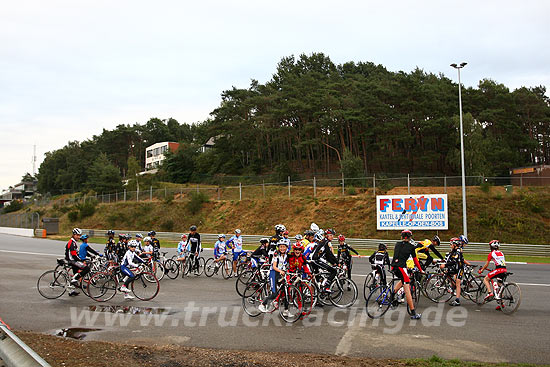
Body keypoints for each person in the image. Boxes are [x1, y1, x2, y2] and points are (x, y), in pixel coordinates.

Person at [390, 229, 424, 319]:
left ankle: (392, 296)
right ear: (410, 237)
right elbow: (415, 261)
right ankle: (413, 313)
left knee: (403, 280)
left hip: (393, 266)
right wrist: (421, 270)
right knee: (407, 288)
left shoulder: (397, 244)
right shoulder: (411, 247)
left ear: (401, 237)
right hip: (401, 267)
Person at [259, 240, 290, 315]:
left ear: (286, 247)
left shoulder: (286, 255)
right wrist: (281, 271)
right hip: (273, 273)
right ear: (278, 247)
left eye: (284, 247)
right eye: (280, 247)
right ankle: (262, 304)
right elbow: (274, 266)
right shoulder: (276, 254)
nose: (282, 248)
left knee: (285, 291)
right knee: (274, 293)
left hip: (280, 273)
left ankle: (286, 310)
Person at [441, 237, 471, 306]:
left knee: (457, 283)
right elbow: (449, 259)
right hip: (455, 268)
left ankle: (457, 300)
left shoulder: (458, 251)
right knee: (447, 274)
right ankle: (454, 287)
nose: (450, 245)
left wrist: (445, 265)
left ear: (455, 244)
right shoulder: (453, 251)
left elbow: (454, 261)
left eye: (451, 244)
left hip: (460, 268)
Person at [478, 240, 507, 310]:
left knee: (486, 279)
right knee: (500, 287)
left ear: (491, 247)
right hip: (504, 270)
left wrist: (482, 270)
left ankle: (490, 292)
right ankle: (501, 304)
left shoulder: (491, 253)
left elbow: (486, 264)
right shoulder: (501, 253)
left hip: (498, 270)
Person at [64, 228, 89, 296]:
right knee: (87, 269)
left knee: (76, 273)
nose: (79, 237)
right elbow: (74, 256)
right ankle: (74, 280)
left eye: (79, 235)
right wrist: (81, 261)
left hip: (72, 260)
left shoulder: (73, 242)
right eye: (77, 235)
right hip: (72, 261)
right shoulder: (72, 243)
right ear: (74, 235)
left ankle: (71, 291)